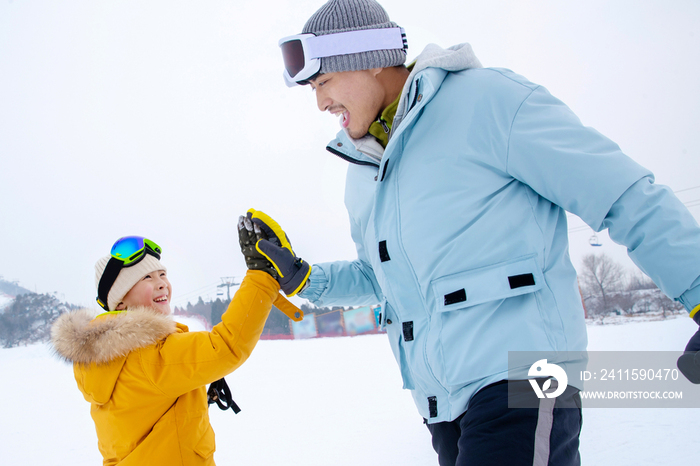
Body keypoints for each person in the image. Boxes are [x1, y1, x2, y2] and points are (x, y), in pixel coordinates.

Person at [273, 0, 700, 464]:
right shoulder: (364, 167)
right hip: (442, 402)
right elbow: (383, 278)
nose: (320, 103)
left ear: (370, 58)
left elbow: (622, 194)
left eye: (325, 82)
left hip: (523, 378)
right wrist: (301, 276)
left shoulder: (489, 102)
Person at [50, 219, 304, 465]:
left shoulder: (108, 360)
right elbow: (225, 346)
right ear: (120, 302)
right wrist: (263, 276)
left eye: (162, 274)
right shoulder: (147, 355)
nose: (161, 283)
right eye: (146, 278)